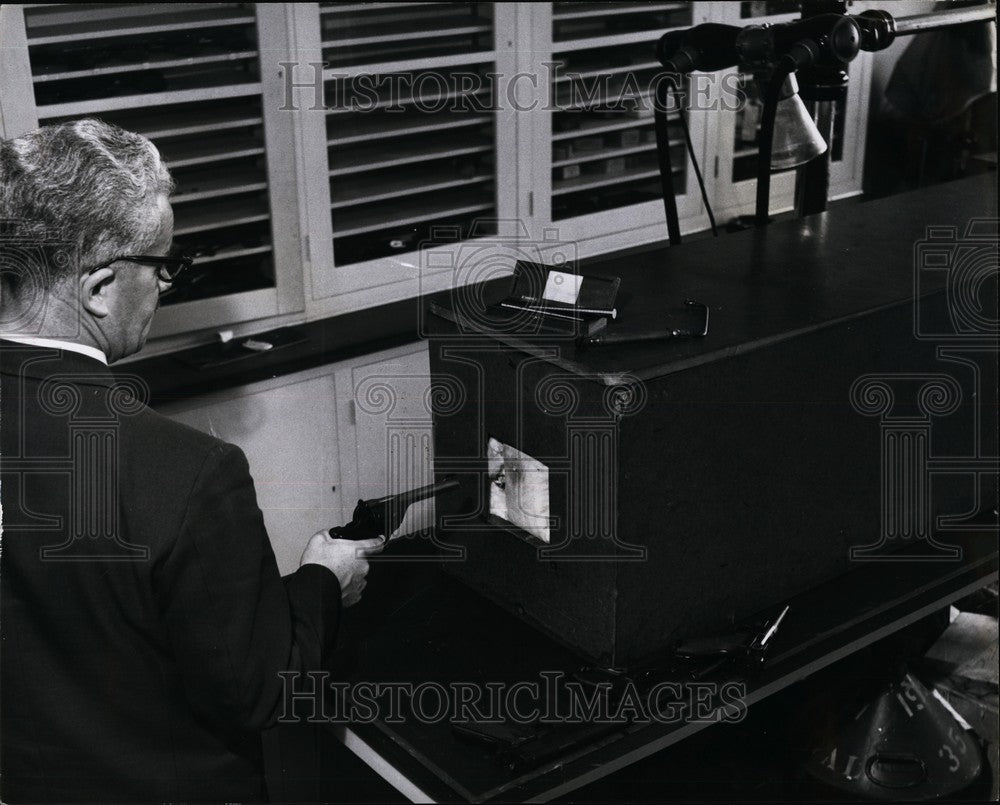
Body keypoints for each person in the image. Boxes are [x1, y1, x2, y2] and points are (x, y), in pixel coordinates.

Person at [0, 119, 384, 802]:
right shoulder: (189, 472)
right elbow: (258, 690)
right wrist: (323, 583)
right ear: (99, 288)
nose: (164, 288)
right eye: (161, 267)